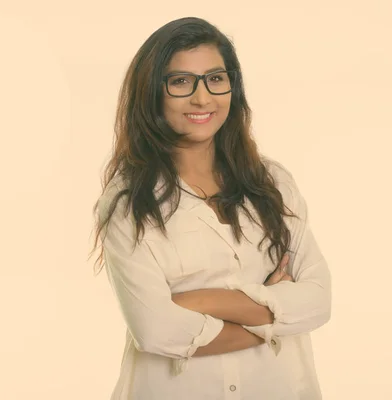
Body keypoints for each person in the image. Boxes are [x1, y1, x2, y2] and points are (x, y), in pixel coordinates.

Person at [90, 17, 332, 400]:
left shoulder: (274, 183)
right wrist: (273, 311)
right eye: (181, 81)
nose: (203, 98)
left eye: (215, 79)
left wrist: (200, 301)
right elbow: (155, 330)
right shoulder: (128, 201)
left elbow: (318, 302)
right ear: (153, 93)